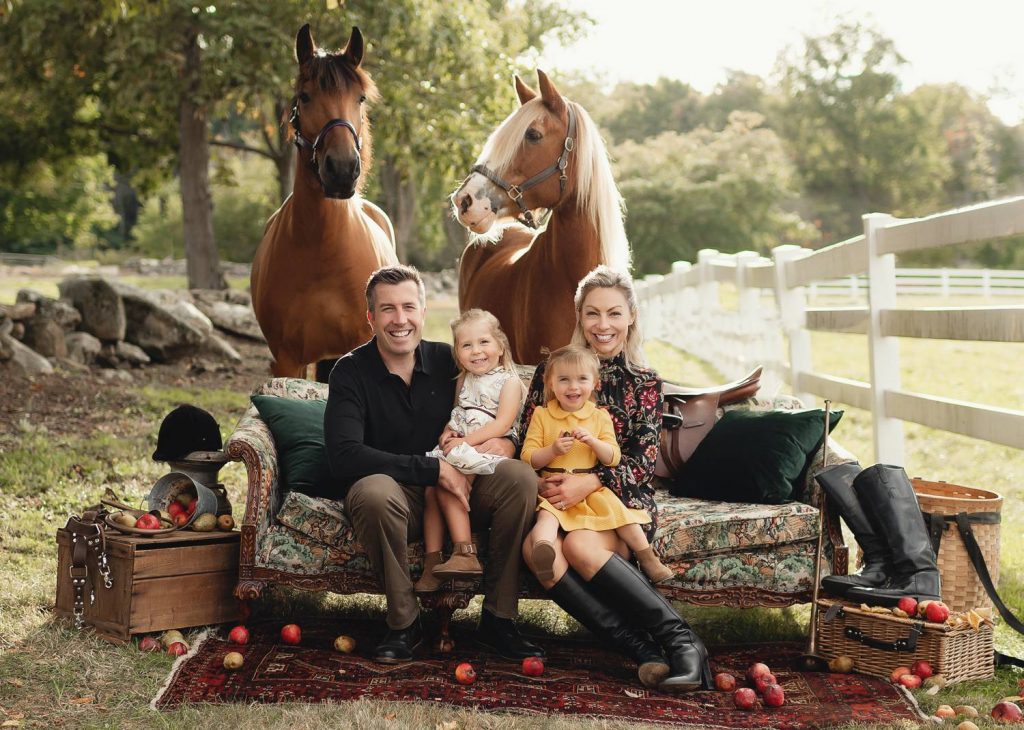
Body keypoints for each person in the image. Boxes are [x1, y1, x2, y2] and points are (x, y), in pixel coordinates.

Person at [323, 265, 544, 664]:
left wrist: (507, 443)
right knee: (373, 492)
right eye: (387, 309)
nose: (400, 319)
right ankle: (404, 623)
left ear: (424, 312)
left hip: (463, 487)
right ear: (370, 317)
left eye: (409, 307)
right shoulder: (351, 371)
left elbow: (498, 406)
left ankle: (499, 619)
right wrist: (433, 470)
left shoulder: (448, 361)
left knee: (520, 478)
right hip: (398, 497)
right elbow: (344, 455)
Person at [517, 265, 712, 691]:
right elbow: (526, 441)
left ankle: (682, 643)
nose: (602, 325)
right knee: (536, 549)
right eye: (592, 313)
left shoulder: (644, 383)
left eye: (614, 313)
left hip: (618, 503)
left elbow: (642, 464)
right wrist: (542, 478)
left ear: (631, 316)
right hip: (555, 498)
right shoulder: (552, 371)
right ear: (579, 317)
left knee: (580, 545)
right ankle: (642, 652)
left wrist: (590, 481)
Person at [522, 344, 672, 585]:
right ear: (550, 384)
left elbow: (613, 457)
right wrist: (552, 450)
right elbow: (528, 456)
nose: (573, 387)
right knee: (546, 520)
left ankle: (647, 557)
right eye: (564, 380)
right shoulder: (543, 414)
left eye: (582, 379)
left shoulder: (599, 416)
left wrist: (593, 442)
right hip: (553, 487)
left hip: (590, 488)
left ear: (595, 383)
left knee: (621, 515)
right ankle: (543, 554)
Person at [414, 309, 525, 593]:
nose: (476, 351)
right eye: (466, 345)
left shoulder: (509, 382)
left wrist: (466, 442)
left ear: (501, 346)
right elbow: (457, 413)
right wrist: (448, 432)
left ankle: (465, 553)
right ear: (458, 354)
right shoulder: (463, 380)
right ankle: (432, 562)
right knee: (430, 490)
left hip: (484, 447)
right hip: (460, 445)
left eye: (484, 342)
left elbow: (502, 424)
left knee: (447, 486)